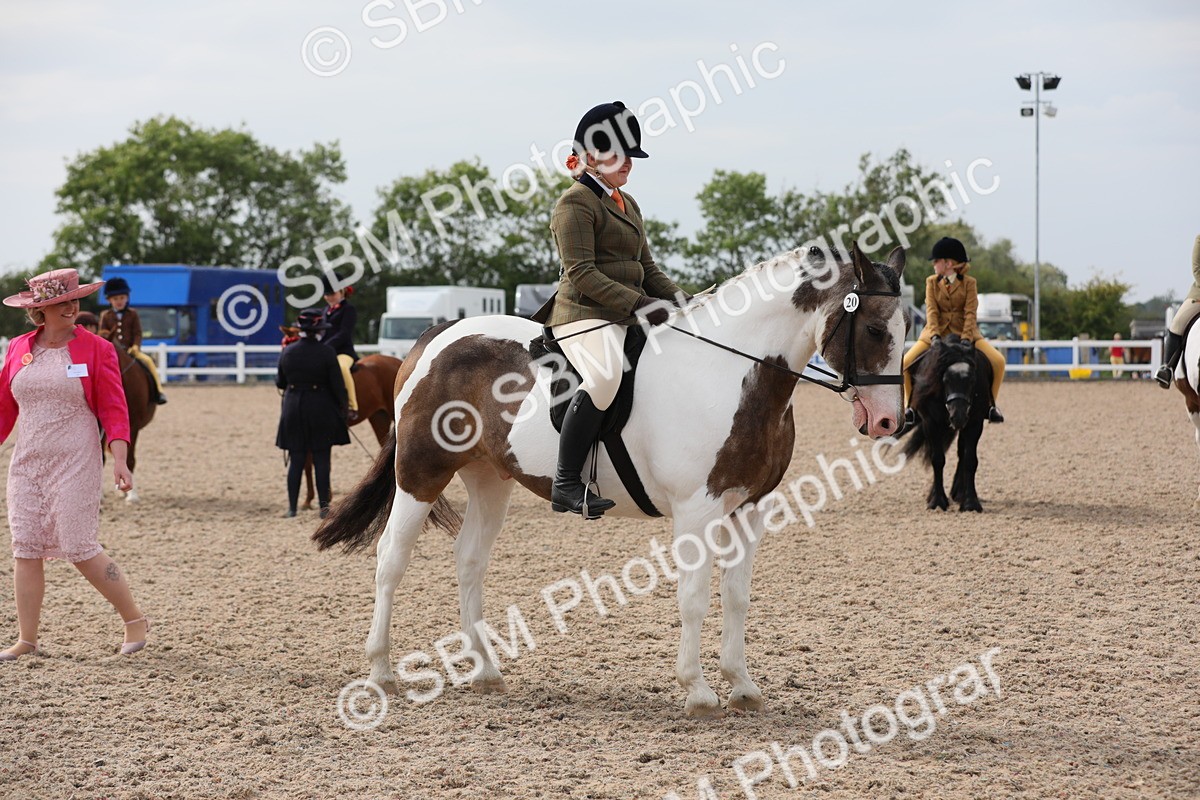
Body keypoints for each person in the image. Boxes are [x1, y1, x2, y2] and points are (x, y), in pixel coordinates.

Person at [531, 100, 689, 518]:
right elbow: (581, 273)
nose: (628, 165)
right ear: (591, 158)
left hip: (623, 314)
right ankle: (566, 483)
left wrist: (683, 301)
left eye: (630, 157)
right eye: (619, 156)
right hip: (582, 315)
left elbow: (648, 267)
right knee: (605, 377)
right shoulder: (574, 204)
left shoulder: (628, 203)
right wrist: (640, 304)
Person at [0, 269, 149, 660]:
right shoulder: (17, 347)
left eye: (74, 299)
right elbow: (3, 408)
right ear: (41, 310)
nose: (72, 307)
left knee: (79, 545)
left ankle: (134, 619)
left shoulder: (97, 349)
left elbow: (115, 408)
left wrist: (120, 459)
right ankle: (27, 639)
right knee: (25, 546)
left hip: (76, 458)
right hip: (27, 461)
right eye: (61, 302)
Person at [903, 237, 1007, 427]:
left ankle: (991, 406)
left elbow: (970, 312)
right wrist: (934, 336)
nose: (934, 265)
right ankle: (910, 407)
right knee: (906, 362)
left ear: (948, 263)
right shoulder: (931, 282)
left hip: (966, 333)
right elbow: (932, 311)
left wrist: (967, 338)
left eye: (936, 261)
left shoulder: (969, 283)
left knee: (998, 361)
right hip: (935, 333)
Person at [276, 308, 350, 518]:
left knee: (296, 460)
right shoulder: (326, 352)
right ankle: (324, 508)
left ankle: (292, 507)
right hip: (320, 407)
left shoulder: (287, 352)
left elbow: (280, 382)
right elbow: (337, 385)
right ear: (318, 331)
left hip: (293, 407)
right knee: (321, 460)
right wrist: (343, 407)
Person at [98, 278, 167, 405]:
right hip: (112, 352)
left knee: (148, 361)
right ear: (109, 300)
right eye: (115, 299)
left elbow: (137, 333)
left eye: (122, 298)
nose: (119, 301)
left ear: (127, 298)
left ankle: (158, 391)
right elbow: (102, 334)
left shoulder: (133, 314)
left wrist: (135, 346)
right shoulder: (105, 315)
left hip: (131, 350)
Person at [1156, 235, 1200, 388]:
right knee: (1176, 325)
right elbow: (1197, 269)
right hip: (1199, 296)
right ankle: (1167, 368)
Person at [320, 276, 359, 422]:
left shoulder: (348, 310)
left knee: (341, 368)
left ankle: (352, 406)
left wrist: (325, 347)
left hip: (343, 352)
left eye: (332, 294)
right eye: (326, 295)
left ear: (341, 291)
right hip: (326, 351)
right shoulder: (324, 311)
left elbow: (344, 333)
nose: (329, 297)